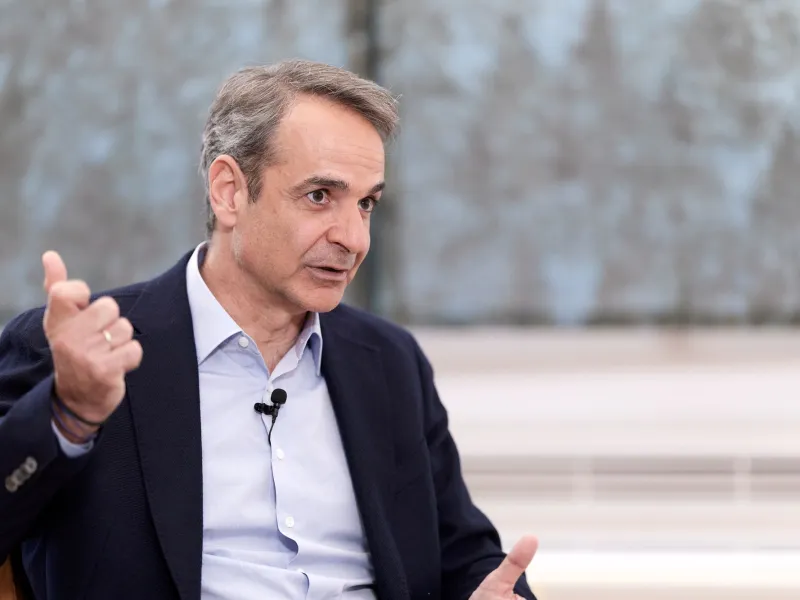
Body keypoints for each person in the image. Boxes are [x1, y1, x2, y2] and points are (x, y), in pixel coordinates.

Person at [0, 59, 538, 600]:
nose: (353, 239)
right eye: (319, 196)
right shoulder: (85, 348)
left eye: (366, 203)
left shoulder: (389, 361)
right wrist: (67, 415)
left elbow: (463, 555)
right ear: (229, 192)